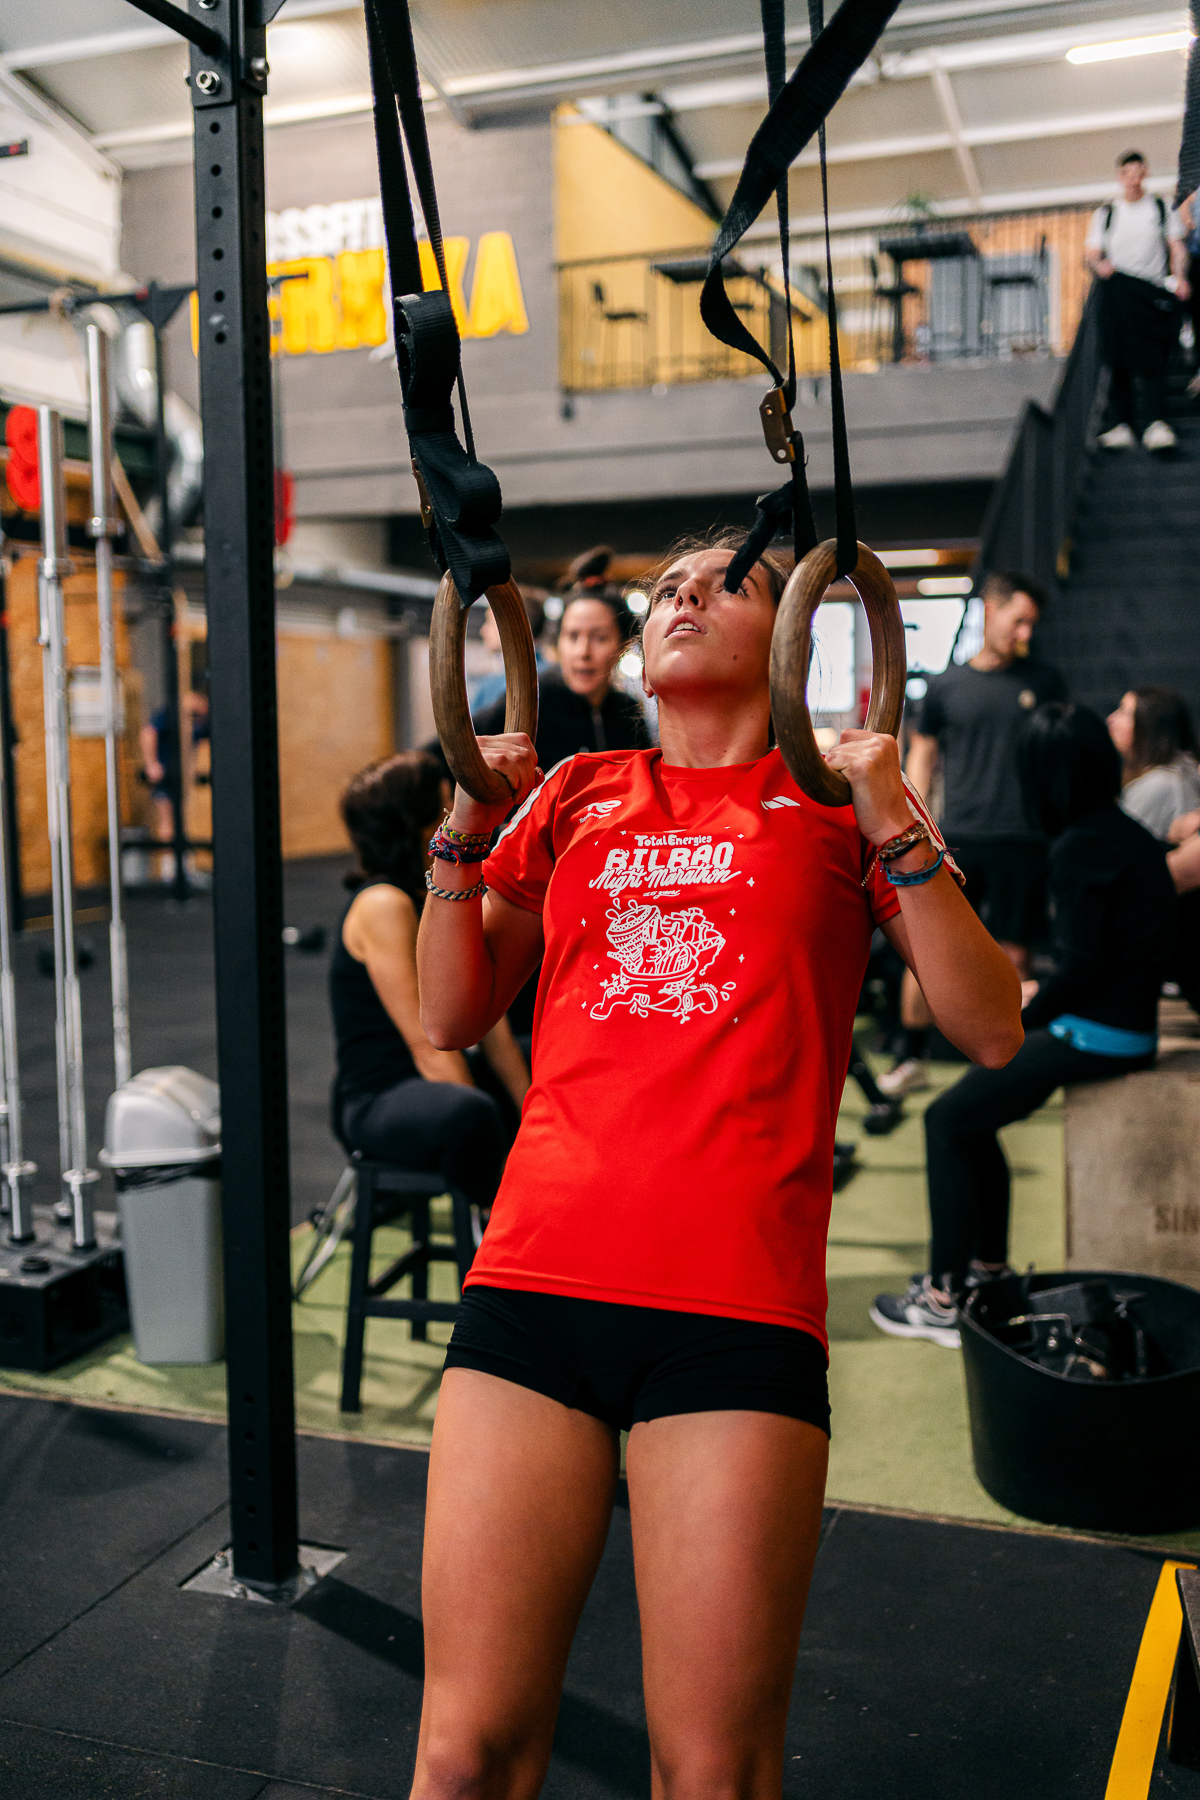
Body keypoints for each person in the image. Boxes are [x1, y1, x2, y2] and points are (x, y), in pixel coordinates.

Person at [413, 528, 1022, 1800]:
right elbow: (453, 1009)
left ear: (794, 631)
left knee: (712, 1775)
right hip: (535, 1281)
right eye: (665, 590)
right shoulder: (577, 794)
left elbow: (989, 1028)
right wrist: (466, 822)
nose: (683, 596)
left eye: (725, 583)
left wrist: (890, 809)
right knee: (465, 1755)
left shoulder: (838, 802)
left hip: (733, 1310)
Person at [873, 702, 1177, 1346]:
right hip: (1119, 1023)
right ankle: (987, 1271)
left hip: (1102, 1034)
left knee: (946, 1119)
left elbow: (1082, 972)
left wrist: (1014, 1017)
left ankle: (943, 1296)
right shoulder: (1121, 833)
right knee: (971, 1119)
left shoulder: (1079, 847)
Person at [883, 571, 1065, 1096]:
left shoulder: (1044, 682)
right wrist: (915, 824)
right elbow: (922, 755)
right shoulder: (947, 686)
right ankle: (911, 1057)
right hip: (957, 837)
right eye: (1019, 620)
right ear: (990, 610)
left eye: (1032, 624)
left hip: (1023, 838)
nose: (1025, 633)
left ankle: (1006, 1071)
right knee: (929, 952)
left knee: (1014, 954)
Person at [331, 751, 529, 1208]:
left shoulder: (435, 892)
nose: (455, 814)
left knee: (540, 1057)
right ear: (424, 826)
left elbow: (488, 1019)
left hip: (433, 1072)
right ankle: (503, 1218)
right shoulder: (383, 904)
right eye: (446, 805)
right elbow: (426, 1045)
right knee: (471, 1114)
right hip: (381, 1094)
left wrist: (530, 1111)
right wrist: (496, 1131)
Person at [472, 551, 651, 771]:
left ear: (623, 645)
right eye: (572, 636)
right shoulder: (533, 701)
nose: (583, 652)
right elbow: (451, 752)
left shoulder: (628, 712)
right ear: (558, 642)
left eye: (600, 638)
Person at [1085, 151, 1189, 453]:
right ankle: (1121, 425)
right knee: (1118, 359)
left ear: (1145, 174)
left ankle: (1156, 423)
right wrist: (1099, 265)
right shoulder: (1106, 213)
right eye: (1127, 174)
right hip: (1118, 291)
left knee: (1154, 359)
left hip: (1152, 292)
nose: (1133, 180)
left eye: (1139, 173)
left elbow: (1176, 247)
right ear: (1119, 176)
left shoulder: (1159, 207)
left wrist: (1180, 277)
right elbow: (1091, 253)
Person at [1107, 686, 1200, 841]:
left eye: (1124, 712)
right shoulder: (1168, 775)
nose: (1111, 718)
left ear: (1149, 726)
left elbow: (1118, 845)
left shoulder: (1160, 785)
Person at [139, 686, 209, 873]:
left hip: (183, 777)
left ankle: (184, 867)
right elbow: (148, 733)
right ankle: (170, 870)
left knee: (183, 820)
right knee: (168, 821)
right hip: (166, 775)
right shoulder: (169, 714)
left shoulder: (199, 719)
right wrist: (152, 764)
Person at [470, 586, 551, 714]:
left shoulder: (491, 689)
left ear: (513, 625)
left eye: (489, 622)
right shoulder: (556, 679)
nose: (483, 630)